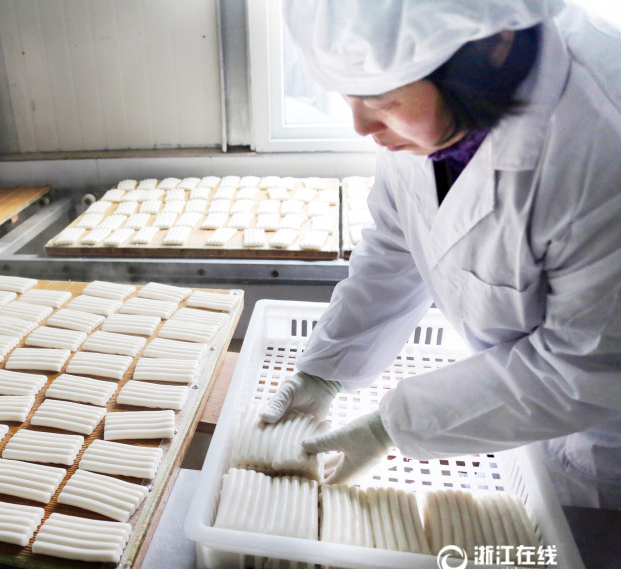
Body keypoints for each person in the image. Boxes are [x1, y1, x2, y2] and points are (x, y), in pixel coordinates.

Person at [262, 0, 621, 509]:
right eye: (347, 96)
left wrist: (394, 426)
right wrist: (327, 368)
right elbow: (399, 240)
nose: (361, 126)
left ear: (488, 51)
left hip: (605, 449)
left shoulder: (602, 143)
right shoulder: (435, 106)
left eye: (381, 100)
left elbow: (583, 367)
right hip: (526, 417)